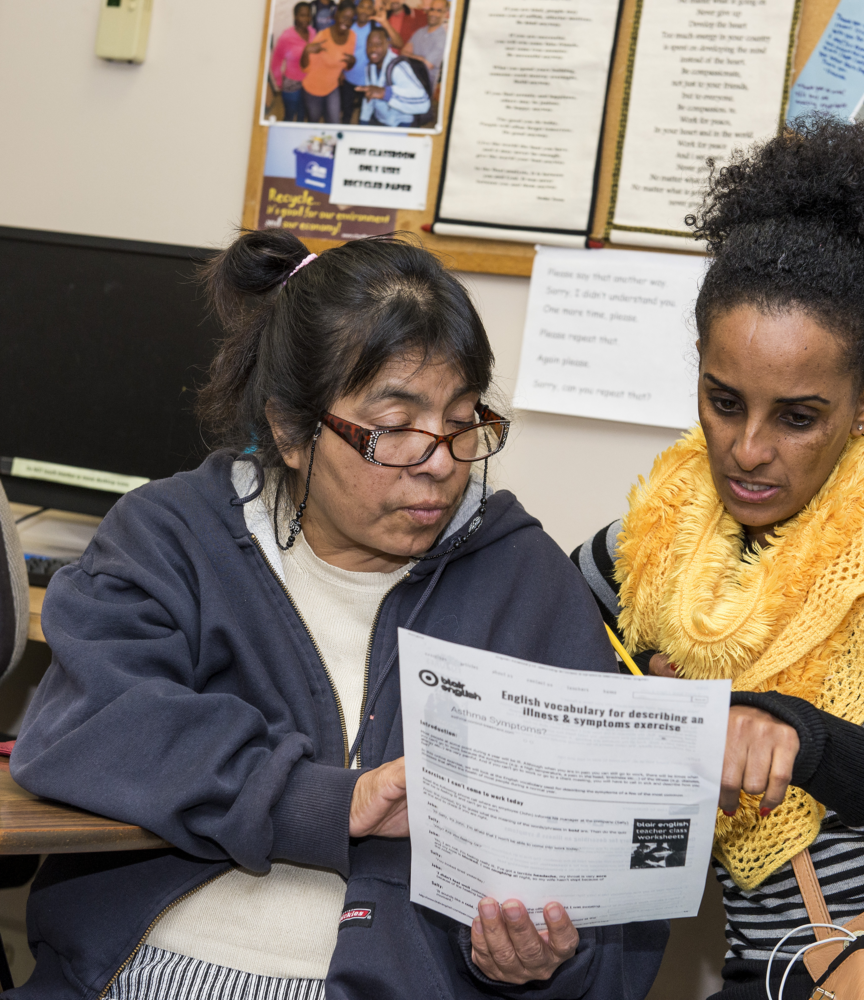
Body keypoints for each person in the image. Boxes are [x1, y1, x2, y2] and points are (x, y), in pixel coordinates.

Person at [8, 231, 668, 999]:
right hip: (142, 971)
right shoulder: (171, 539)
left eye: (462, 421)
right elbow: (89, 729)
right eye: (393, 428)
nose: (441, 463)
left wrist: (536, 967)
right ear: (290, 429)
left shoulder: (523, 581)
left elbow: (607, 891)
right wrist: (333, 800)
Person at [572, 117, 864, 999]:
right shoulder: (651, 542)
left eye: (797, 416)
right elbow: (530, 655)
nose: (747, 450)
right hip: (769, 975)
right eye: (723, 401)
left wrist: (793, 736)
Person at [357, 24, 431, 127]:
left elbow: (424, 103)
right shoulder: (370, 67)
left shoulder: (398, 67)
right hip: (381, 120)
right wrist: (363, 121)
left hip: (401, 122)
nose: (373, 49)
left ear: (388, 44)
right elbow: (370, 95)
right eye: (370, 45)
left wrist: (385, 93)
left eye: (378, 44)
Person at [301, 2, 357, 124]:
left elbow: (346, 67)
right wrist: (306, 52)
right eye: (344, 17)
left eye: (351, 20)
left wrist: (353, 62)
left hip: (332, 88)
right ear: (336, 14)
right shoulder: (323, 36)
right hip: (313, 89)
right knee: (314, 122)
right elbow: (305, 68)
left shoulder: (352, 36)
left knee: (334, 122)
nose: (347, 23)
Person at [270, 2, 316, 122]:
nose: (306, 19)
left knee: (302, 113)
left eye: (308, 15)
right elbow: (276, 62)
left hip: (308, 83)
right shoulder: (287, 36)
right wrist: (280, 82)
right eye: (302, 15)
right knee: (289, 115)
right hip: (292, 84)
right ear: (295, 16)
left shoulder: (312, 32)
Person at [340, 0, 378, 123]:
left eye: (368, 8)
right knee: (346, 112)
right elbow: (340, 50)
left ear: (372, 11)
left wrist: (385, 22)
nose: (364, 10)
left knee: (365, 114)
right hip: (348, 78)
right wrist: (340, 72)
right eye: (362, 6)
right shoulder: (348, 26)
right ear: (357, 8)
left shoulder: (376, 27)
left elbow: (397, 43)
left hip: (368, 81)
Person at [403, 0, 448, 92]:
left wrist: (411, 56)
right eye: (432, 9)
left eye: (439, 10)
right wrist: (421, 58)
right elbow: (403, 53)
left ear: (446, 14)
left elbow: (426, 65)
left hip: (424, 91)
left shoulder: (443, 38)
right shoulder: (420, 32)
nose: (433, 13)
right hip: (407, 84)